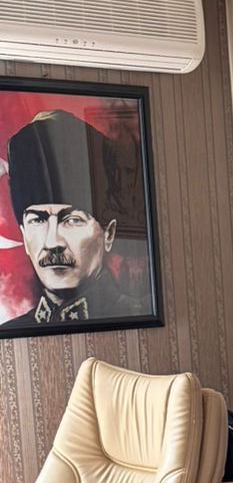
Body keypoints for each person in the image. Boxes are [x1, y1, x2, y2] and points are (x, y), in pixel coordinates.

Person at [1, 110, 136, 332]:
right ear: (24, 236)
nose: (52, 242)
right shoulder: (12, 330)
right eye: (38, 220)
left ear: (109, 234)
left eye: (72, 220)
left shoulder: (134, 316)